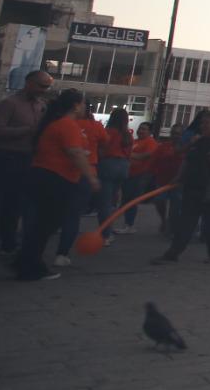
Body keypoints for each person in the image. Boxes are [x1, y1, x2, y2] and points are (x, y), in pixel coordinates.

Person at [14, 89, 98, 281]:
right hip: (56, 178)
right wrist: (91, 177)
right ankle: (30, 266)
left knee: (41, 223)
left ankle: (25, 260)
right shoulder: (67, 125)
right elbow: (75, 152)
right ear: (76, 106)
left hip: (47, 176)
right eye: (83, 104)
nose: (85, 108)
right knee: (46, 224)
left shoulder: (58, 123)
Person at [152, 110, 210, 265]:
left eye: (206, 123)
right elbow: (186, 160)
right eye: (202, 123)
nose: (202, 126)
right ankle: (172, 254)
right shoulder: (198, 141)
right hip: (193, 186)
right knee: (186, 222)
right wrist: (178, 177)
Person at [0, 69, 52, 254]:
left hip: (26, 158)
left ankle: (7, 240)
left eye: (47, 87)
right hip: (4, 157)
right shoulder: (9, 104)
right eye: (41, 86)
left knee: (14, 203)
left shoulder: (41, 106)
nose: (44, 90)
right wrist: (27, 130)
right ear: (29, 83)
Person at [55, 105, 105, 265]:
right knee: (73, 214)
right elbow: (105, 142)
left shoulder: (59, 124)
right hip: (84, 171)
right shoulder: (93, 126)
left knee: (55, 210)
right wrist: (92, 177)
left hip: (59, 172)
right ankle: (62, 253)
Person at [94, 109, 132, 245]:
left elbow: (101, 150)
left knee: (104, 202)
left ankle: (105, 235)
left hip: (108, 164)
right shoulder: (127, 135)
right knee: (112, 200)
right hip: (123, 166)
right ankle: (108, 229)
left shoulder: (108, 132)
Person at [121, 120, 158, 234]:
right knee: (127, 199)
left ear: (150, 132)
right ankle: (128, 223)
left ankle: (129, 225)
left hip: (141, 174)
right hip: (129, 173)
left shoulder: (150, 142)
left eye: (144, 129)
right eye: (140, 128)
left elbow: (145, 156)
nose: (140, 131)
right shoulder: (135, 141)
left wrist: (128, 155)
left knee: (131, 200)